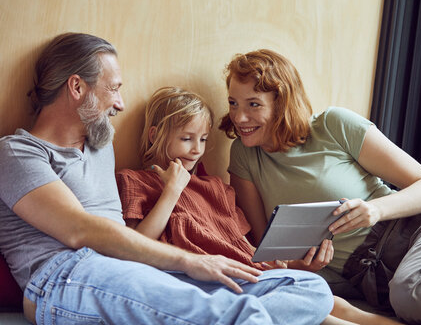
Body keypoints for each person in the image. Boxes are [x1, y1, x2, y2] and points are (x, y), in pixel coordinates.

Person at [0, 33, 335, 325]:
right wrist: (190, 261)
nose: (120, 103)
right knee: (236, 315)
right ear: (76, 87)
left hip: (133, 266)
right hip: (66, 276)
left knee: (309, 290)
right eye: (113, 90)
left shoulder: (99, 145)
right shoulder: (17, 153)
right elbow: (80, 231)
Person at [218, 49, 421, 325]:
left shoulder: (333, 125)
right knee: (413, 299)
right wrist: (302, 266)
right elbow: (268, 253)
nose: (239, 117)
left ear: (282, 101)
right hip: (378, 282)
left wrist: (375, 209)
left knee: (414, 290)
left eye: (253, 104)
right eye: (233, 103)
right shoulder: (245, 157)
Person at [116, 86, 421, 325]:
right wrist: (171, 193)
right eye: (186, 139)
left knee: (339, 305)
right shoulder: (136, 181)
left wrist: (294, 263)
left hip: (249, 269)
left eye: (202, 139)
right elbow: (135, 246)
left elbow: (250, 248)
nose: (197, 149)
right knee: (327, 313)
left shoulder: (213, 185)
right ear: (154, 135)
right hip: (210, 277)